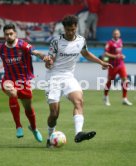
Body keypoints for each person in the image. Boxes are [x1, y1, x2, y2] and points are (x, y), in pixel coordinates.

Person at [44, 15, 112, 148]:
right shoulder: (56, 41)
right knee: (54, 114)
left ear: (76, 28)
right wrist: (48, 62)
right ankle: (49, 136)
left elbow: (86, 53)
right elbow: (50, 61)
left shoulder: (81, 40)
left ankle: (78, 133)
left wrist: (100, 62)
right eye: (68, 30)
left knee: (79, 101)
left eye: (73, 29)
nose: (70, 32)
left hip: (69, 77)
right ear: (64, 28)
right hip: (54, 77)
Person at [0, 24, 48, 143]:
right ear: (4, 35)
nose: (8, 36)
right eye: (6, 34)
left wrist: (44, 57)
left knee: (28, 108)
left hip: (24, 82)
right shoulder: (1, 47)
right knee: (12, 92)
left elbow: (35, 51)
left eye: (11, 34)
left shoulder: (23, 45)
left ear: (15, 34)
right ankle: (18, 126)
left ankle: (34, 128)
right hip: (9, 80)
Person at [102, 28, 133, 106]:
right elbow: (105, 54)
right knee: (110, 82)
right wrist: (115, 57)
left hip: (120, 64)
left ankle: (124, 99)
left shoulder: (120, 41)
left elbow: (119, 53)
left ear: (119, 34)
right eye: (115, 34)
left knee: (125, 80)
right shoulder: (109, 43)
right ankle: (105, 97)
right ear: (113, 34)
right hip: (112, 65)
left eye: (117, 34)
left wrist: (121, 56)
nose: (116, 35)